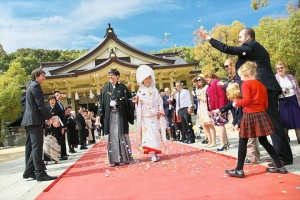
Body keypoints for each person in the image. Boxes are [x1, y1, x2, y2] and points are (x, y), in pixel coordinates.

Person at [196, 27, 293, 165]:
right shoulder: (251, 50)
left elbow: (227, 48)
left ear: (248, 38)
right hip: (262, 88)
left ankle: (284, 157)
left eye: (240, 37)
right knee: (271, 123)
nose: (239, 40)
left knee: (273, 123)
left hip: (265, 88)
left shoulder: (251, 46)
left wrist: (208, 38)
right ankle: (279, 155)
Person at [225, 61, 288, 177]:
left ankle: (239, 170)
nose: (241, 79)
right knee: (264, 140)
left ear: (247, 75)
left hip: (249, 114)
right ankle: (280, 166)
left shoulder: (246, 84)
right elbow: (265, 103)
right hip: (261, 114)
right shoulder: (262, 85)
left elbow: (247, 100)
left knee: (243, 141)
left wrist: (236, 103)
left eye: (241, 77)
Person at [218, 58, 260, 164]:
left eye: (227, 66)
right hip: (241, 109)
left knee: (250, 138)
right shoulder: (231, 78)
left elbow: (244, 97)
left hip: (249, 111)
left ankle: (252, 157)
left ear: (233, 65)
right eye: (225, 66)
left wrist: (236, 102)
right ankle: (253, 156)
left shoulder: (241, 80)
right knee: (251, 138)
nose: (226, 68)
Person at [22, 68, 58, 181]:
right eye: (43, 75)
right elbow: (40, 105)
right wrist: (51, 117)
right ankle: (40, 173)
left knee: (34, 147)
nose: (45, 78)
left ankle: (29, 171)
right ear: (36, 76)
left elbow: (35, 107)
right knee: (37, 148)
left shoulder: (31, 86)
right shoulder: (36, 86)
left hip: (32, 120)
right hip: (33, 120)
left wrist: (45, 119)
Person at [97, 68, 135, 167]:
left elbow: (129, 99)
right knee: (112, 136)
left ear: (117, 76)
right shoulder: (105, 88)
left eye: (112, 75)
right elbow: (101, 102)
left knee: (121, 135)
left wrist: (133, 101)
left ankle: (123, 158)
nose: (110, 76)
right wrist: (99, 115)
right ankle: (113, 160)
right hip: (109, 116)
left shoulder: (123, 87)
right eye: (109, 75)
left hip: (120, 115)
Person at [133, 65, 167, 162]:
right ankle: (152, 154)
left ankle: (155, 153)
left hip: (154, 116)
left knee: (155, 134)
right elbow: (138, 101)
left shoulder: (155, 90)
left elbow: (160, 102)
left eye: (149, 78)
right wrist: (136, 100)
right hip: (145, 116)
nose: (148, 80)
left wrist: (160, 111)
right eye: (146, 78)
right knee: (148, 135)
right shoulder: (140, 91)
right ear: (142, 80)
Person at [275, 61, 300, 144]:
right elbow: (274, 90)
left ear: (285, 68)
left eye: (281, 67)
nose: (280, 69)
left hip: (293, 99)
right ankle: (286, 137)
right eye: (278, 68)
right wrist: (281, 91)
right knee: (285, 119)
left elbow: (296, 88)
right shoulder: (275, 78)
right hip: (283, 101)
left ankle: (299, 137)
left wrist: (298, 95)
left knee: (297, 118)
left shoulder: (290, 77)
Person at [204, 71, 229, 151]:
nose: (206, 79)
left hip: (219, 107)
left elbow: (222, 95)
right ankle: (225, 142)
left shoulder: (217, 82)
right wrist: (209, 109)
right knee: (219, 125)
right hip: (214, 108)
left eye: (207, 77)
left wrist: (221, 108)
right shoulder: (210, 85)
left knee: (220, 124)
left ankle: (223, 143)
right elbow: (208, 99)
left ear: (211, 76)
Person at [195, 76, 216, 147]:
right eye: (197, 80)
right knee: (204, 124)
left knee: (210, 124)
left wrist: (201, 98)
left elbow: (210, 98)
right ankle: (209, 141)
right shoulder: (198, 89)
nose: (198, 81)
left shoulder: (207, 87)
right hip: (201, 108)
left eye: (199, 80)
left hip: (207, 107)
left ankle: (214, 141)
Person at [20, 80, 31, 167]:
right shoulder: (24, 95)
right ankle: (28, 164)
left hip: (34, 121)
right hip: (29, 122)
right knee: (30, 143)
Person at [54, 91, 68, 158]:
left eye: (59, 95)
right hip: (58, 123)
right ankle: (59, 154)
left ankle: (64, 153)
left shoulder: (61, 104)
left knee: (63, 139)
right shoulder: (55, 103)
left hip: (63, 122)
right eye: (56, 95)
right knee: (58, 139)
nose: (58, 96)